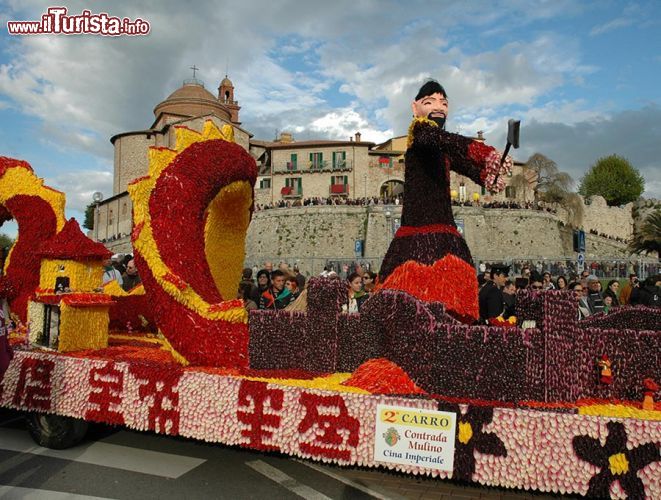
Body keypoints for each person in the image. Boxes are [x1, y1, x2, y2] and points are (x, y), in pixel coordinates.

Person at [378, 79, 512, 323]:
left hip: (444, 229)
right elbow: (442, 139)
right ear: (415, 107)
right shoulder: (420, 132)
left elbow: (463, 162)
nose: (439, 107)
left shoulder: (440, 145)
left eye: (444, 102)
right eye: (430, 102)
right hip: (420, 230)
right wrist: (484, 152)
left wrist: (488, 176)